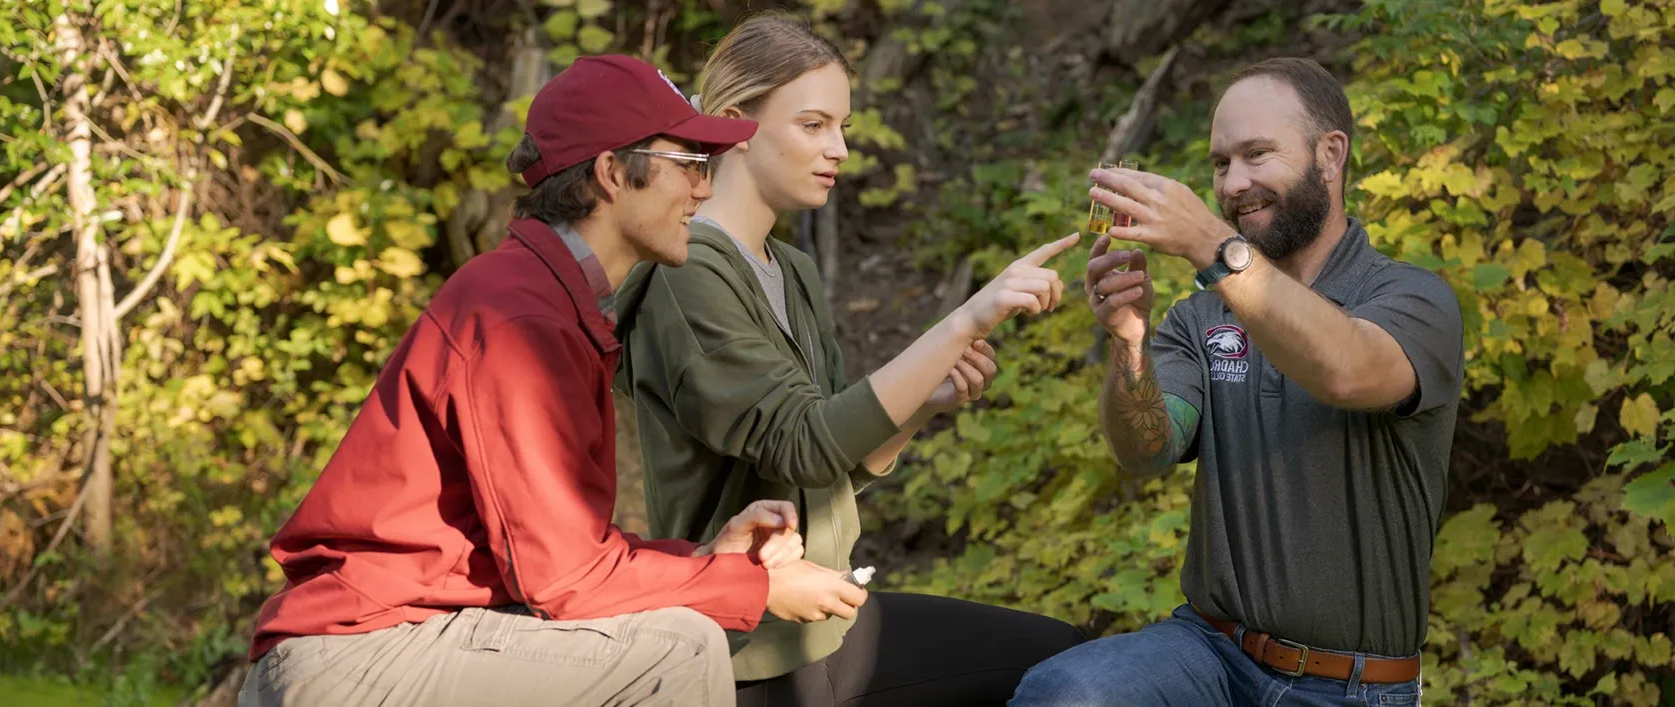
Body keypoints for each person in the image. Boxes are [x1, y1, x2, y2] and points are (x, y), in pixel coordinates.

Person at [238, 55, 872, 707]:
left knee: (670, 633)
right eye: (689, 165)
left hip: (410, 635)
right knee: (676, 651)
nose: (703, 190)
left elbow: (559, 551)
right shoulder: (519, 318)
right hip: (356, 657)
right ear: (611, 173)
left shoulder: (550, 301)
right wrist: (755, 589)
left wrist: (706, 558)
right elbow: (566, 578)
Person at [612, 14, 1088, 707]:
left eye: (844, 128)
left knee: (1061, 659)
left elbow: (833, 462)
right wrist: (964, 320)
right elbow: (805, 444)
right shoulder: (689, 274)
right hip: (750, 653)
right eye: (813, 125)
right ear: (733, 122)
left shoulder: (793, 269)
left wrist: (926, 399)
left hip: (825, 625)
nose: (837, 149)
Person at [1011, 57, 1465, 706]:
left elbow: (1347, 367)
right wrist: (1130, 344)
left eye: (1257, 154)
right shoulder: (1200, 316)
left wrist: (1209, 244)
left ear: (1330, 155)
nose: (1235, 182)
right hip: (1210, 653)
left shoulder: (1412, 298)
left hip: (1354, 686)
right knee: (1067, 692)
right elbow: (1146, 448)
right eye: (1222, 163)